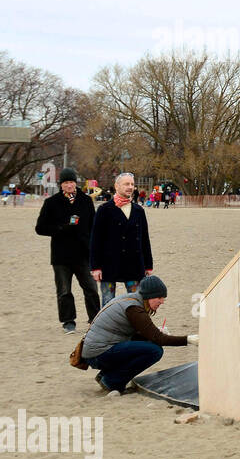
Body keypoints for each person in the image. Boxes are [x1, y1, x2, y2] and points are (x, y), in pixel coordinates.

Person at [78, 275, 196, 394]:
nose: (162, 302)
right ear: (149, 295)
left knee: (148, 345)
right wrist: (188, 340)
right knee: (155, 351)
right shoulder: (134, 308)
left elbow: (141, 335)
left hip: (94, 352)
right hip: (98, 354)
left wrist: (155, 333)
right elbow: (158, 339)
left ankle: (106, 375)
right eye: (159, 297)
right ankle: (111, 381)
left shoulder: (131, 300)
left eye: (163, 298)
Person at [34, 168, 101, 333]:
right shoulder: (51, 203)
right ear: (61, 185)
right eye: (65, 182)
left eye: (71, 182)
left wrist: (92, 246)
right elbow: (40, 228)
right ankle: (68, 321)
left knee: (91, 289)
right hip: (61, 255)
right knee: (64, 291)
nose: (69, 185)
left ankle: (95, 320)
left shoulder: (85, 201)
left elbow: (93, 227)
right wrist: (61, 228)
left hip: (83, 254)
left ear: (75, 183)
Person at [90, 172, 154, 306]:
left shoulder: (138, 211)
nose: (130, 187)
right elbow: (96, 240)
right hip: (109, 264)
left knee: (135, 302)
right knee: (108, 302)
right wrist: (95, 267)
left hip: (134, 264)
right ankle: (108, 327)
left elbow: (144, 239)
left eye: (132, 184)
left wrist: (148, 265)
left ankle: (134, 327)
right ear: (116, 186)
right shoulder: (104, 210)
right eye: (126, 184)